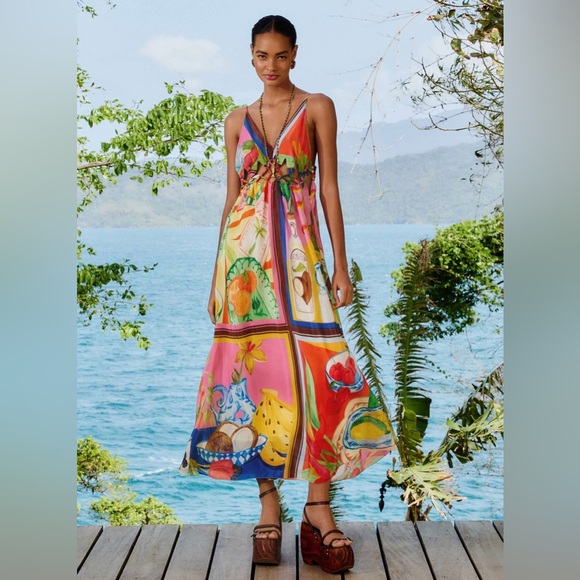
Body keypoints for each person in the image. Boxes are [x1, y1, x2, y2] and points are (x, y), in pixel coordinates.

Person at [179, 14, 395, 574]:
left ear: (295, 54)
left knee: (322, 372)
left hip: (301, 264)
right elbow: (232, 200)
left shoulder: (317, 106)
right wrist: (216, 276)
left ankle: (318, 508)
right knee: (253, 381)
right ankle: (269, 505)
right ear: (250, 57)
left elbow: (329, 190)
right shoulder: (236, 120)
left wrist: (340, 266)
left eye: (279, 55)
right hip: (244, 271)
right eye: (261, 56)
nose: (270, 65)